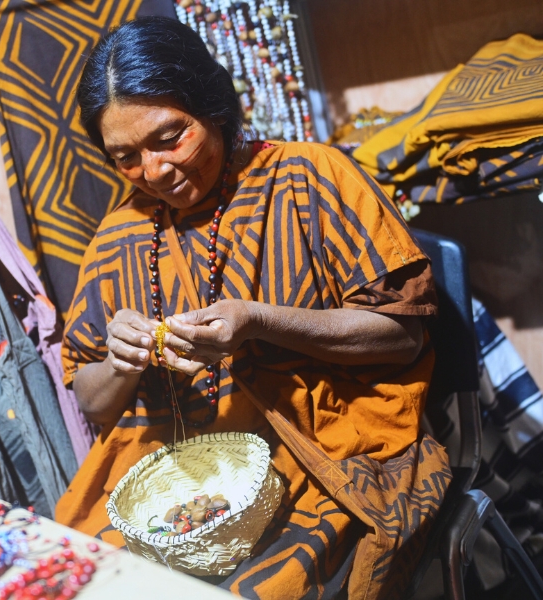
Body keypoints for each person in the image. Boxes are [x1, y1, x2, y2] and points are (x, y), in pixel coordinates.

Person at [56, 16, 451, 599]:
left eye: (170, 136)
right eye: (126, 156)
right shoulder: (119, 236)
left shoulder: (308, 178)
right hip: (172, 475)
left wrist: (260, 319)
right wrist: (121, 362)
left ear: (212, 105)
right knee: (72, 580)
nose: (155, 171)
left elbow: (402, 335)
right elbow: (90, 398)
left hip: (328, 452)